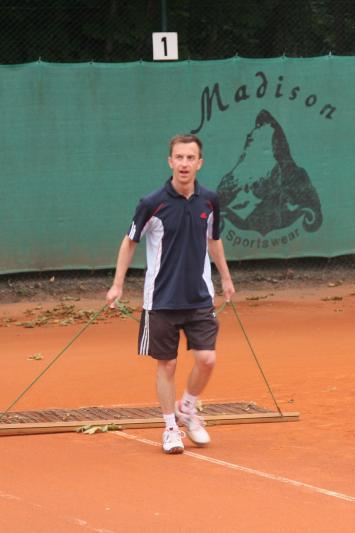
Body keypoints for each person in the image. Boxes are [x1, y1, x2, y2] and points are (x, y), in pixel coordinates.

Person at [105, 134, 235, 454]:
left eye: (190, 158)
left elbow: (214, 240)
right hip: (161, 299)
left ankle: (187, 408)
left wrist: (226, 278)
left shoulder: (210, 200)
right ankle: (170, 428)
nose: (184, 164)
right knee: (168, 365)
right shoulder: (152, 203)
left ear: (199, 163)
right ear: (170, 162)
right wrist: (117, 284)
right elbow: (130, 242)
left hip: (199, 297)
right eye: (179, 157)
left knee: (207, 359)